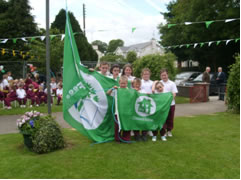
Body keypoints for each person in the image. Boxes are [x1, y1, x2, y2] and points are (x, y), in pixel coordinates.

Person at [152, 68, 178, 141]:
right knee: (163, 119)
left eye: (165, 75)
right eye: (162, 75)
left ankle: (169, 131)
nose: (164, 76)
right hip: (161, 106)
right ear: (160, 76)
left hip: (171, 104)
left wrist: (168, 100)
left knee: (170, 118)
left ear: (167, 75)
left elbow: (174, 93)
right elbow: (154, 92)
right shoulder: (159, 83)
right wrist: (155, 83)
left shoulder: (172, 83)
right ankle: (161, 132)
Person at [107, 75, 131, 142]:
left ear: (127, 83)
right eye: (121, 83)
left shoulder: (128, 90)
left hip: (126, 112)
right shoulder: (116, 90)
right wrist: (112, 88)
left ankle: (126, 138)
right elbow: (108, 93)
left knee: (126, 125)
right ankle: (118, 138)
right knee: (117, 125)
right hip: (118, 112)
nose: (123, 85)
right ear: (119, 83)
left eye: (124, 83)